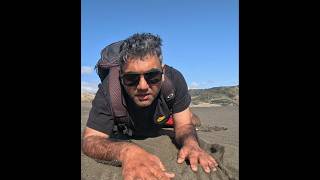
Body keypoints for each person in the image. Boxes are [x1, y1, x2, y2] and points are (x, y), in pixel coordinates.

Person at [82, 33, 218, 180]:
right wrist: (126, 151)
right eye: (131, 78)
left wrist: (191, 144)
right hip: (129, 123)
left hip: (162, 118)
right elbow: (91, 139)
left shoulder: (175, 80)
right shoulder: (108, 89)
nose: (142, 86)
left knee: (192, 120)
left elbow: (184, 125)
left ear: (163, 72)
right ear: (121, 76)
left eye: (152, 76)